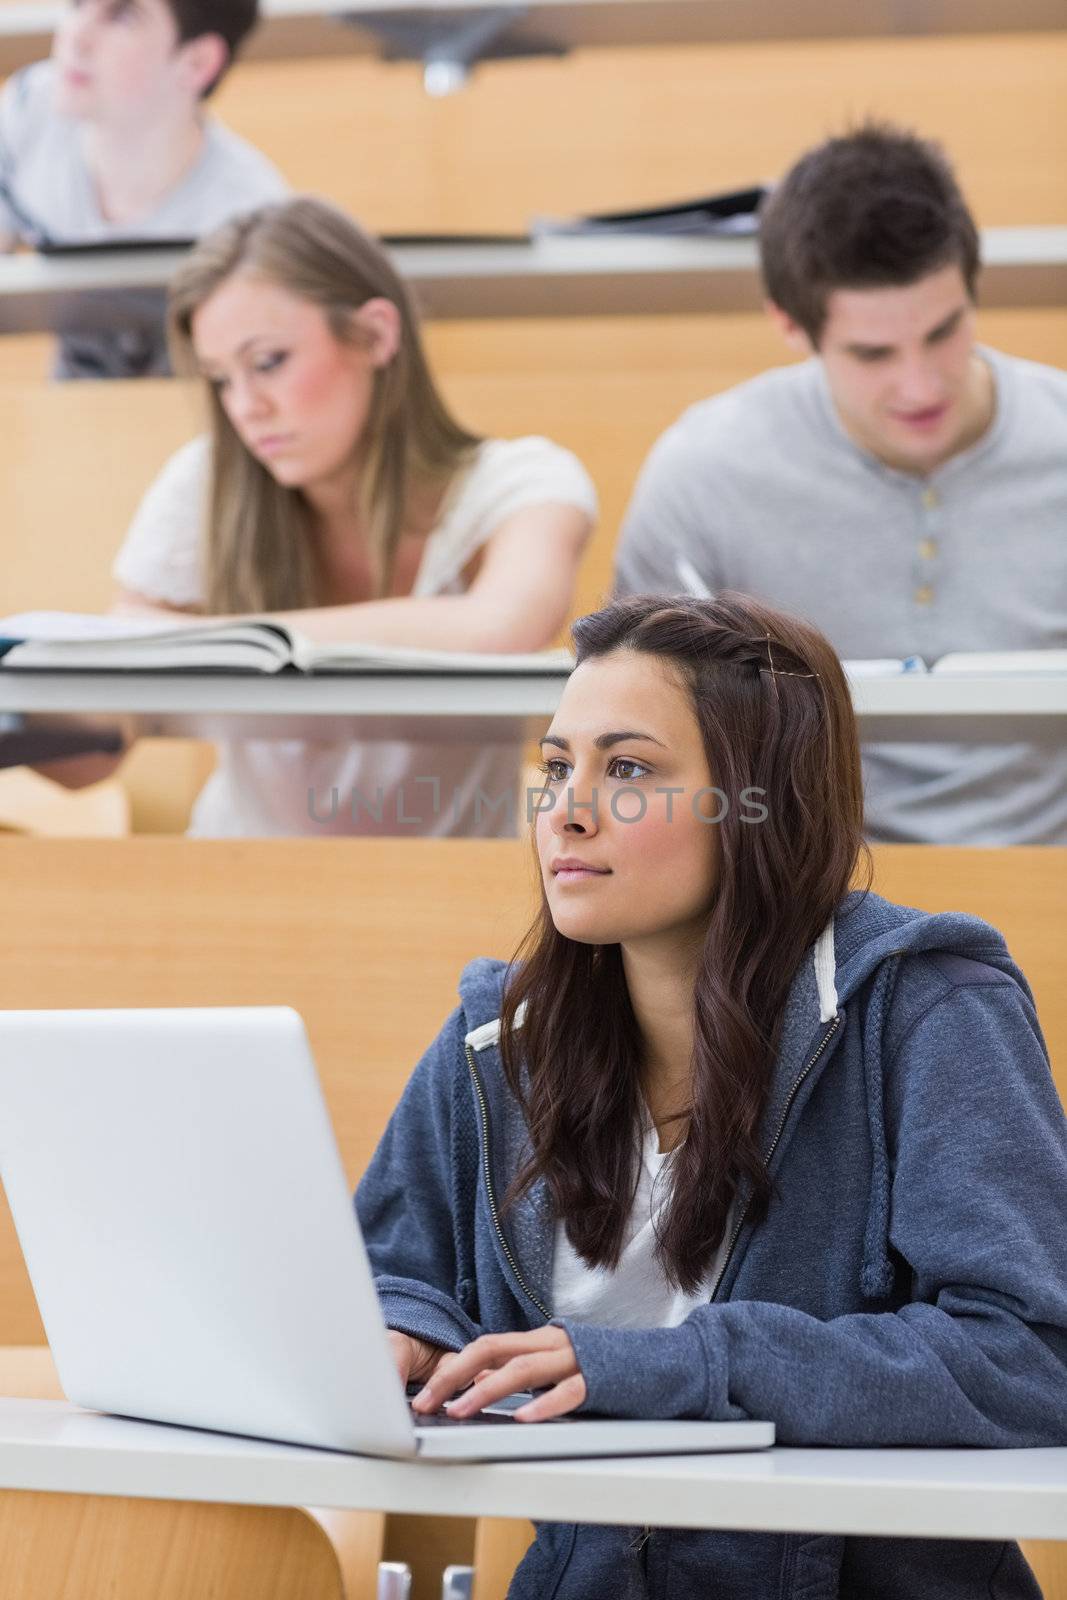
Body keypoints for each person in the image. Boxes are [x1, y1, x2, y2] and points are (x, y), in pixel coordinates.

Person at [356, 591, 1067, 1600]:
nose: (565, 806)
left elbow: (1030, 1359)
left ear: (759, 798)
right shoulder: (496, 1038)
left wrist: (681, 1368)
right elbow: (390, 1269)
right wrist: (401, 1329)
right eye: (557, 765)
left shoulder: (929, 1008)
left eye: (628, 768)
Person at [51, 196, 596, 835]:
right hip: (243, 878)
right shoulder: (205, 480)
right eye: (221, 379)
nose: (245, 407)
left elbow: (499, 627)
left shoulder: (524, 480)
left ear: (375, 335)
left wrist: (219, 642)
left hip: (451, 895)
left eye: (268, 363)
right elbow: (100, 744)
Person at [613, 124, 1067, 847]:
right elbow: (631, 736)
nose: (920, 385)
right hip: (807, 901)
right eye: (871, 353)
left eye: (944, 331)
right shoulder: (704, 470)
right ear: (789, 325)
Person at [0, 0, 287, 377]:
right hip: (74, 399)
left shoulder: (249, 216)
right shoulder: (28, 109)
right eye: (77, 4)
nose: (76, 36)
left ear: (197, 62)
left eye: (123, 17)